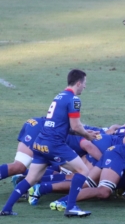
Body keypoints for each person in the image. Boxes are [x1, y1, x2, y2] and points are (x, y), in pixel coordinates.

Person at [0, 69, 99, 217]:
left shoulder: (59, 96)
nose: (85, 86)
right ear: (78, 83)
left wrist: (86, 133)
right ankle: (71, 207)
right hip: (54, 145)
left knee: (31, 178)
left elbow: (63, 125)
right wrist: (87, 135)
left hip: (40, 143)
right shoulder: (74, 100)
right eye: (84, 83)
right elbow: (76, 126)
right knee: (83, 170)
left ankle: (6, 208)